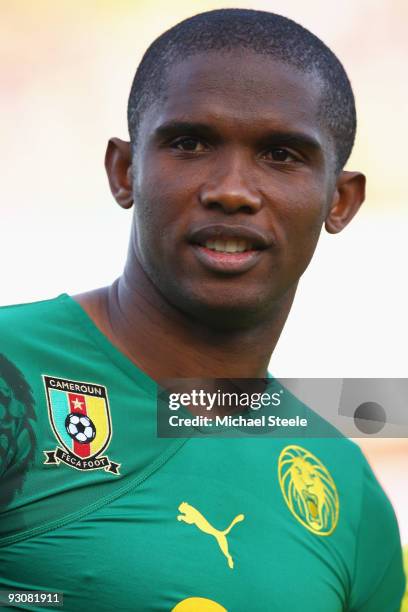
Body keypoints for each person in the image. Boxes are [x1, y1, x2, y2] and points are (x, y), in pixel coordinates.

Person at [0, 8, 405, 612]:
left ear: (339, 201)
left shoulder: (344, 489)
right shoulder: (14, 374)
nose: (232, 190)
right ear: (124, 171)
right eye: (189, 143)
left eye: (282, 154)